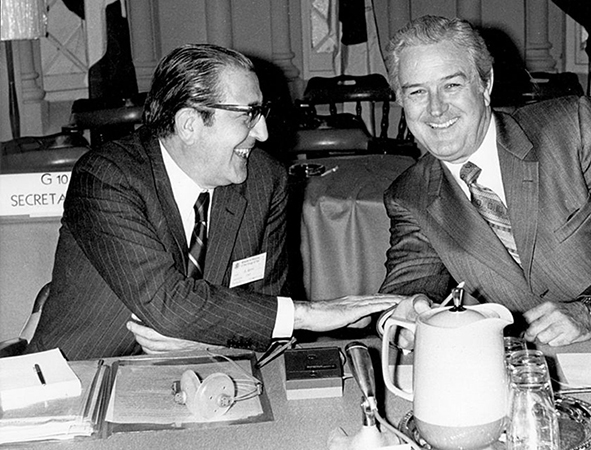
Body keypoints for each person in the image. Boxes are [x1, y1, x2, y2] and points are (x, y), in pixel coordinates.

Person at [26, 44, 404, 360]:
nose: (263, 132)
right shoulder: (107, 177)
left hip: (211, 376)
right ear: (190, 124)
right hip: (81, 380)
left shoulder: (263, 180)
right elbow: (167, 304)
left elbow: (265, 307)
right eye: (247, 116)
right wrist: (308, 313)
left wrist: (207, 340)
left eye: (262, 112)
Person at [378, 16, 591, 346]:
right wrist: (411, 310)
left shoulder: (572, 129)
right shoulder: (409, 195)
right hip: (542, 360)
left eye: (451, 85)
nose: (436, 109)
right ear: (400, 101)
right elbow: (413, 280)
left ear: (485, 85)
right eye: (417, 93)